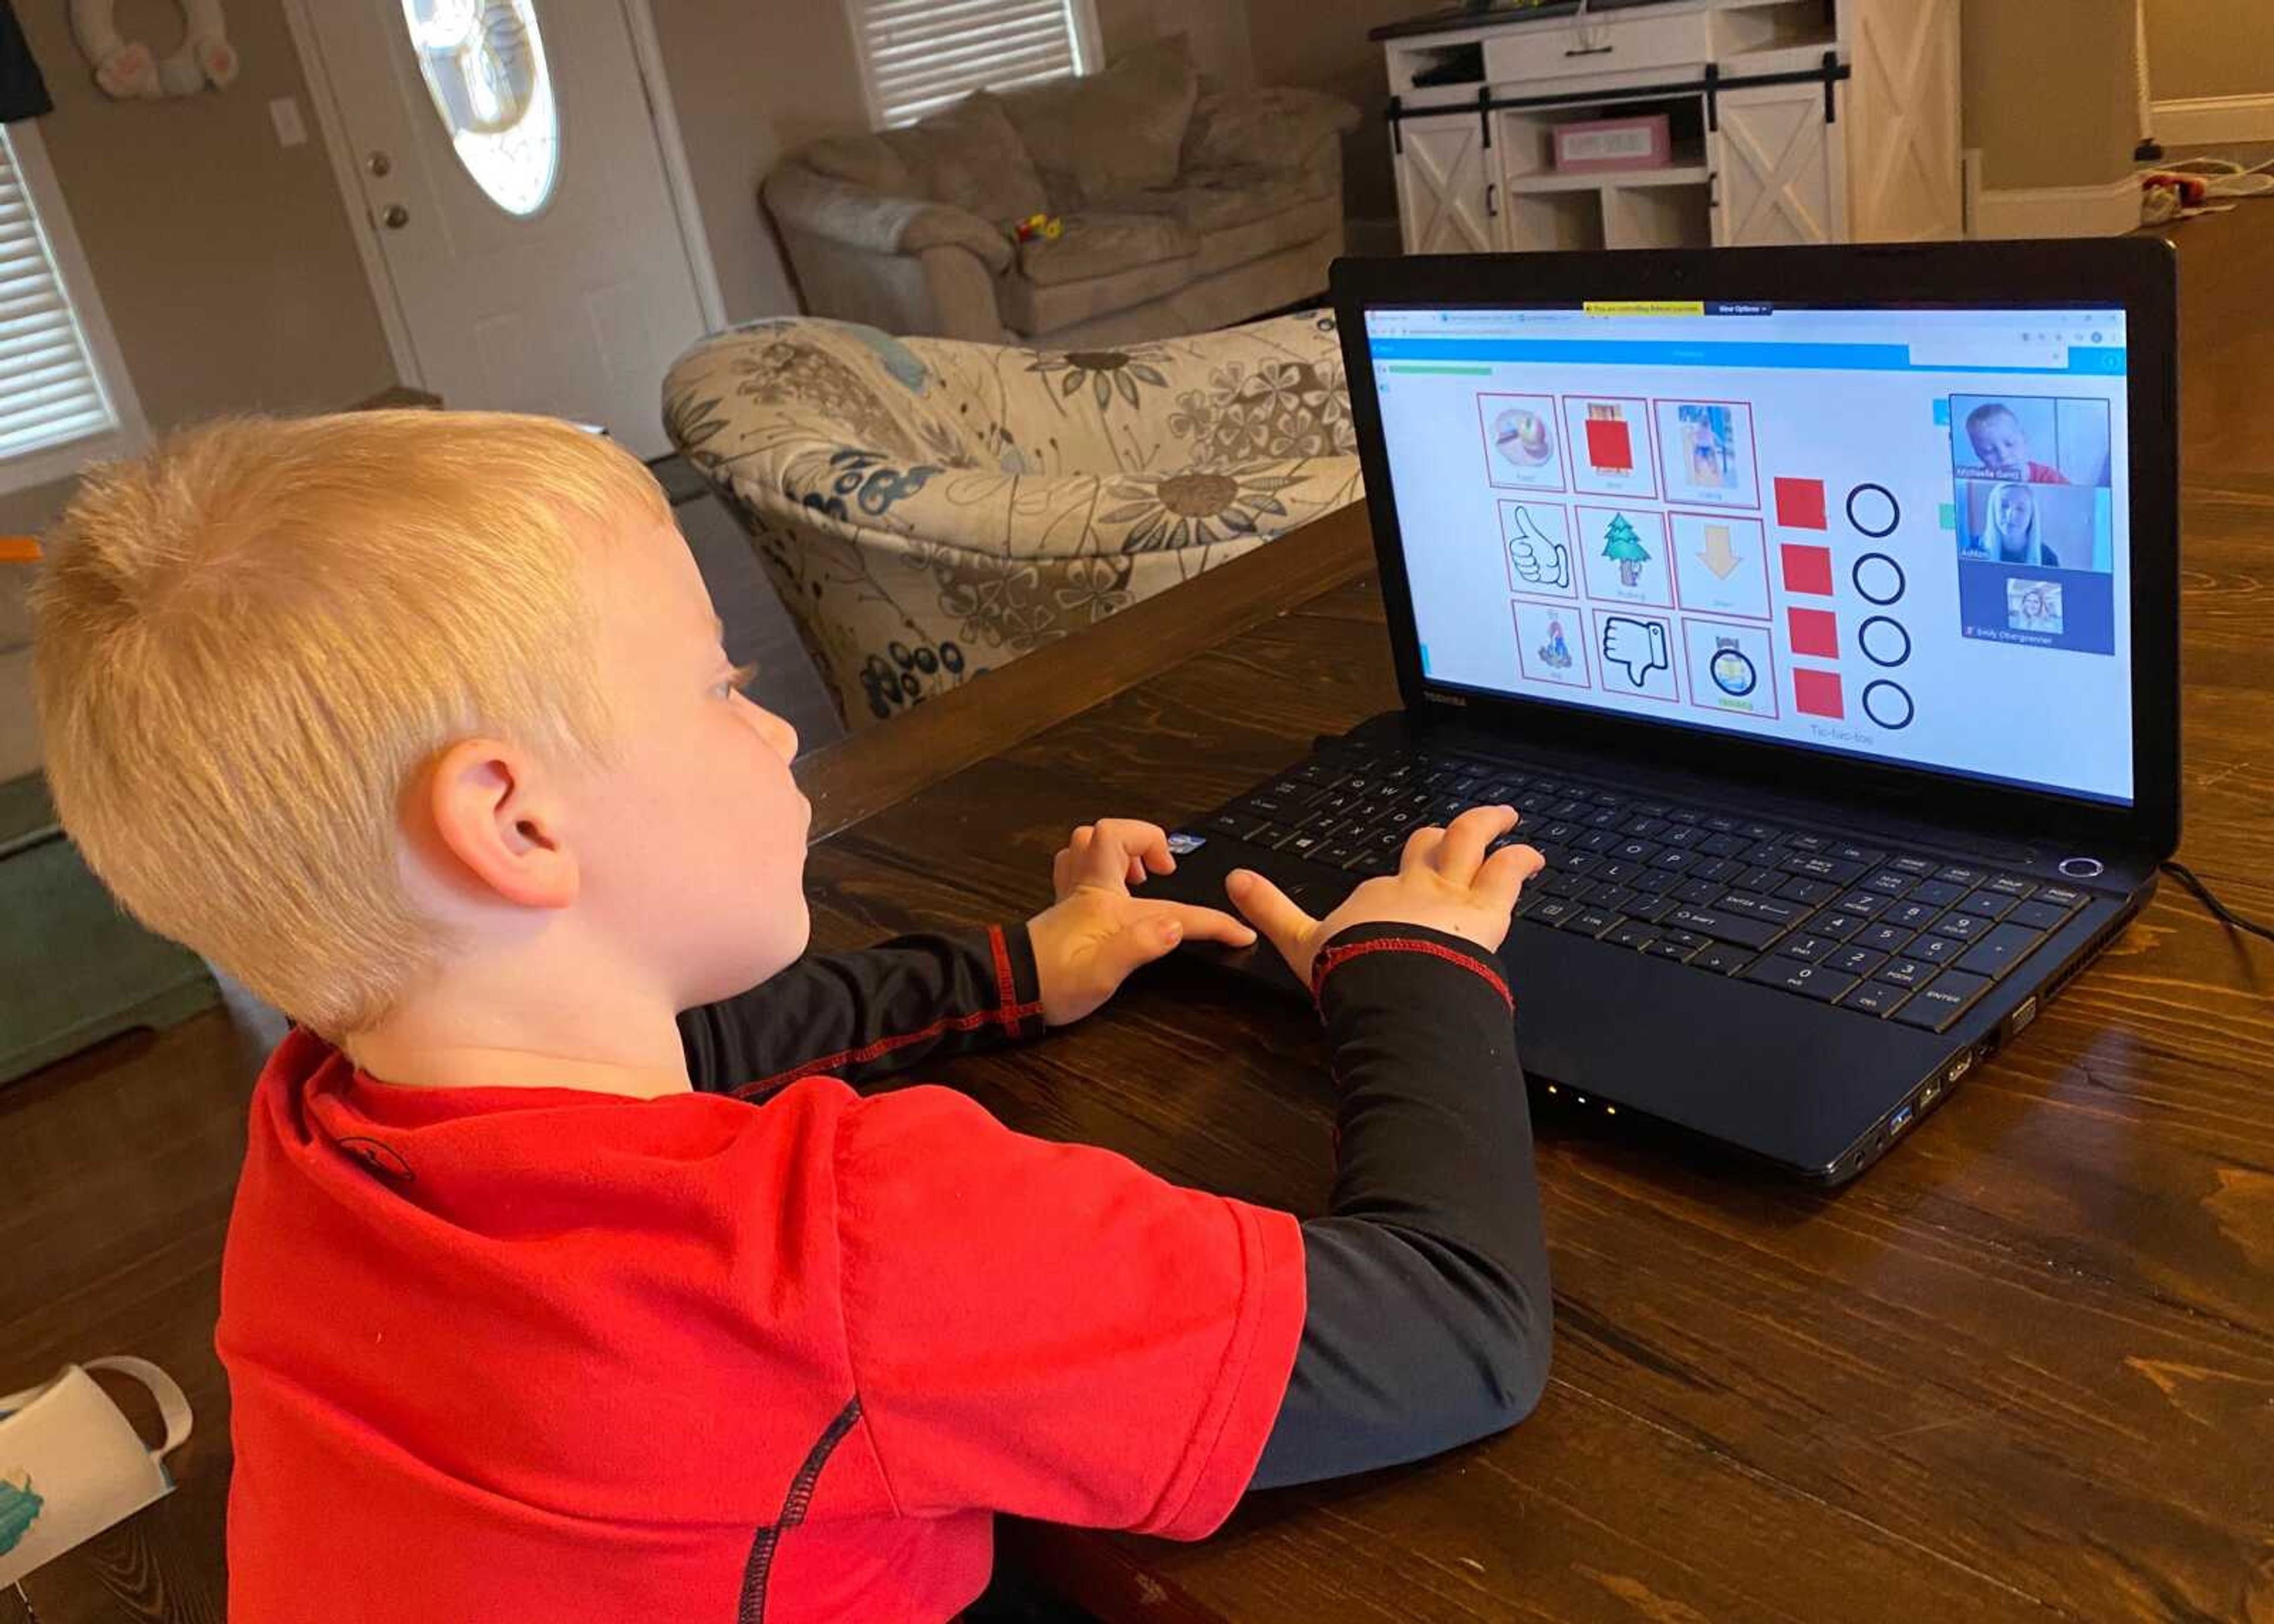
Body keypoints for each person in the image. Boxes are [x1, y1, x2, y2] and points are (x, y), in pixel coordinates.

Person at [31, 411, 1554, 1623]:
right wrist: (1411, 964)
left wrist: (1015, 966)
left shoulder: (316, 1133)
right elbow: (1459, 1328)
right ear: (512, 818)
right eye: (720, 683)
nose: (771, 727)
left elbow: (697, 1052)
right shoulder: (855, 1241)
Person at [1963, 401, 2070, 484]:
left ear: (2024, 439)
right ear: (1978, 454)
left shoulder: (2049, 478)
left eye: (2010, 444)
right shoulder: (1977, 482)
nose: (2003, 456)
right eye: (1989, 451)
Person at [1979, 478, 2061, 568]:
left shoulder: (2048, 559)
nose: (2010, 514)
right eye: (2004, 506)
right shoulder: (1976, 549)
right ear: (1993, 509)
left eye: (2020, 509)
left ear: (2031, 516)